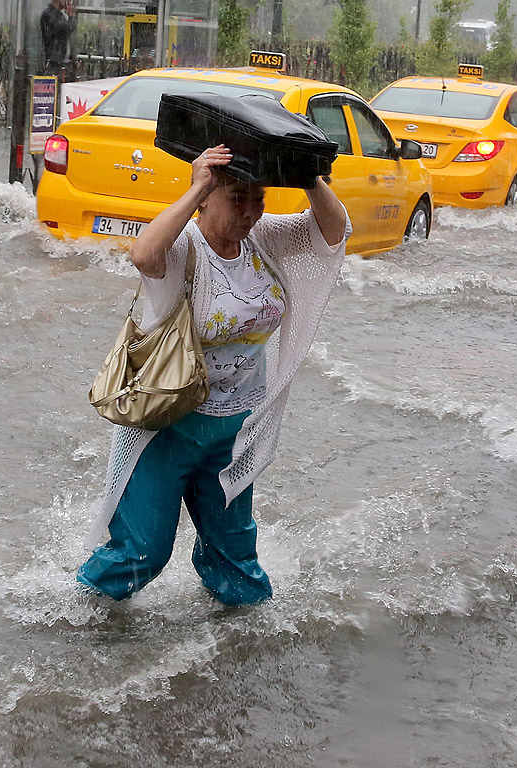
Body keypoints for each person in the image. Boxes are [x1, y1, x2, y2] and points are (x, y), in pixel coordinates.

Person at [78, 144, 349, 606]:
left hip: (235, 426)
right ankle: (76, 620)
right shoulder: (186, 246)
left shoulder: (264, 238)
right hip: (166, 421)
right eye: (237, 198)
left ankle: (237, 650)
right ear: (207, 198)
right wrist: (197, 185)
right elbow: (143, 255)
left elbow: (333, 230)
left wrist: (309, 176)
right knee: (142, 554)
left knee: (237, 563)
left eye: (258, 198)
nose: (250, 211)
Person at [40, 0, 77, 77]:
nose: (69, 2)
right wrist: (72, 17)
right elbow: (65, 27)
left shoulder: (59, 14)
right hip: (54, 62)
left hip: (63, 62)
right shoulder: (49, 14)